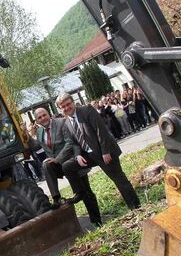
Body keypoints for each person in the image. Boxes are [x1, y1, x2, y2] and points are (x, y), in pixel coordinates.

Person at [57, 92, 141, 227]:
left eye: (68, 104)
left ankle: (136, 207)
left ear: (73, 102)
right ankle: (79, 192)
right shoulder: (66, 122)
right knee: (67, 166)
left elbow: (100, 131)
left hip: (104, 151)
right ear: (60, 109)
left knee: (120, 181)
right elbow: (74, 142)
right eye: (63, 107)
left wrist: (106, 152)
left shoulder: (86, 110)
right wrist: (78, 155)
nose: (67, 108)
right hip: (88, 155)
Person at [27, 107, 93, 209]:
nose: (43, 118)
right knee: (46, 164)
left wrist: (57, 158)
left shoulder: (61, 122)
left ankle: (96, 221)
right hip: (58, 166)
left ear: (49, 114)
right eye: (39, 117)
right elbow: (36, 146)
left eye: (44, 115)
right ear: (37, 121)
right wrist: (27, 136)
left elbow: (69, 143)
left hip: (72, 161)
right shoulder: (39, 131)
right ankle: (56, 198)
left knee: (85, 192)